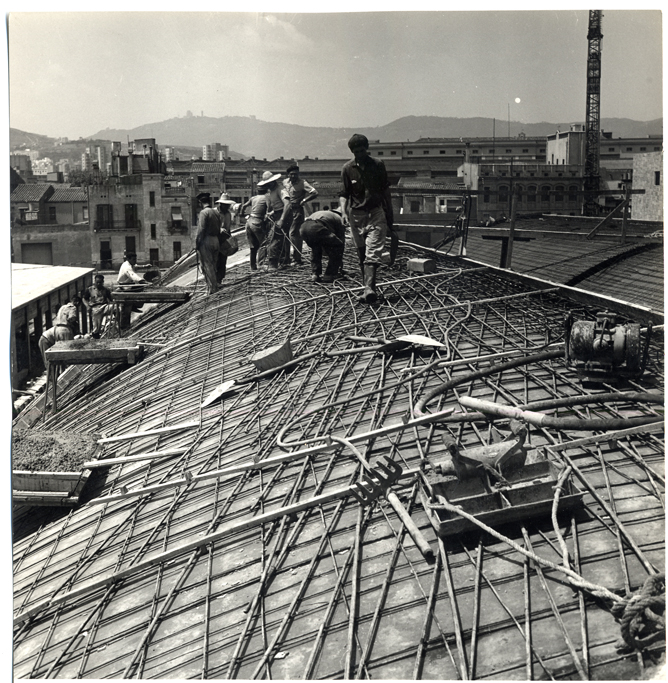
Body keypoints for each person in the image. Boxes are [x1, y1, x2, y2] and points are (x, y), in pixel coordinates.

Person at [340, 133, 395, 303]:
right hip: (356, 216)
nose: (359, 154)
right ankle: (368, 289)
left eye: (362, 151)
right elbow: (344, 194)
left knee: (372, 253)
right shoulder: (347, 169)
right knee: (362, 254)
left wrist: (389, 214)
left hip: (375, 213)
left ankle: (369, 289)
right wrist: (343, 212)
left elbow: (386, 191)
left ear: (367, 149)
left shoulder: (378, 165)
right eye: (355, 152)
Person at [282, 164, 318, 266]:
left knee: (294, 234)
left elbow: (315, 193)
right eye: (291, 174)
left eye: (295, 174)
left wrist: (304, 200)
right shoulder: (285, 182)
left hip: (297, 211)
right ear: (288, 175)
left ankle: (297, 259)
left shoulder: (303, 183)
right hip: (287, 210)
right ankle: (286, 258)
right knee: (286, 234)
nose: (293, 176)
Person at [299, 207, 346, 283]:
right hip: (316, 227)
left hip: (303, 228)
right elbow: (340, 241)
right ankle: (329, 274)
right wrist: (339, 262)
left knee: (316, 248)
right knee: (338, 246)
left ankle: (315, 274)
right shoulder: (338, 218)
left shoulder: (324, 213)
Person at [257, 170, 290, 271]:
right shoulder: (271, 191)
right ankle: (284, 261)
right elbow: (277, 205)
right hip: (277, 214)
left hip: (284, 215)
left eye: (268, 183)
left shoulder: (280, 190)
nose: (266, 186)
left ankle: (273, 263)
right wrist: (271, 214)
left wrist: (282, 219)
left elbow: (287, 204)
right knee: (280, 239)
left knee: (275, 239)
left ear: (272, 182)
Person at [38, 310, 78, 374]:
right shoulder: (66, 331)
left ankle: (56, 377)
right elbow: (64, 349)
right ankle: (52, 380)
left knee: (54, 362)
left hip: (51, 341)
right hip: (45, 340)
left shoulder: (67, 330)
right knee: (49, 363)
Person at [117, 252, 148, 326]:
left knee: (139, 288)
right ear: (128, 259)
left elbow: (136, 267)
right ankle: (135, 305)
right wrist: (143, 281)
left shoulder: (129, 264)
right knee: (142, 288)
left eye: (135, 259)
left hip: (128, 285)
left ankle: (134, 305)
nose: (135, 261)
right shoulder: (127, 267)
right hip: (124, 287)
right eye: (134, 259)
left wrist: (145, 266)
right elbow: (133, 275)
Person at [242, 192, 269, 270]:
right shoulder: (266, 198)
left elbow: (244, 206)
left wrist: (242, 214)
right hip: (257, 221)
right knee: (264, 243)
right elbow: (270, 209)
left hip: (249, 221)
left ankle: (252, 266)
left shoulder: (253, 198)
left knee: (253, 246)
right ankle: (261, 264)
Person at [82, 274, 114, 338]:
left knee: (116, 307)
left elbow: (111, 299)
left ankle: (118, 325)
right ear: (95, 281)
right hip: (95, 308)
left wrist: (113, 303)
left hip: (104, 306)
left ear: (103, 282)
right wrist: (87, 306)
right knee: (96, 327)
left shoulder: (106, 290)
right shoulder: (90, 289)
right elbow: (84, 299)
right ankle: (96, 335)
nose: (98, 284)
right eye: (97, 282)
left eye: (100, 282)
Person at [214, 193, 235, 282]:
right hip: (215, 238)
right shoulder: (214, 212)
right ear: (221, 204)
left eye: (228, 205)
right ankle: (214, 280)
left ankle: (220, 279)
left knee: (223, 260)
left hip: (224, 239)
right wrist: (219, 229)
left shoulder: (228, 214)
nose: (227, 206)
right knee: (215, 260)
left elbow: (228, 227)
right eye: (225, 205)